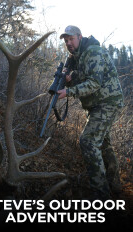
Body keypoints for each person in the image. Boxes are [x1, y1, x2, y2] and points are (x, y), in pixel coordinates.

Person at [58, 25, 124, 200]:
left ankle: (100, 195)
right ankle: (115, 186)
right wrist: (69, 79)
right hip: (98, 105)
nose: (69, 43)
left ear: (80, 37)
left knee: (88, 141)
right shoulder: (77, 56)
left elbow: (94, 83)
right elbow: (84, 77)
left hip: (106, 103)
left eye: (71, 39)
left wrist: (68, 92)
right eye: (66, 41)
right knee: (102, 144)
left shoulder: (92, 52)